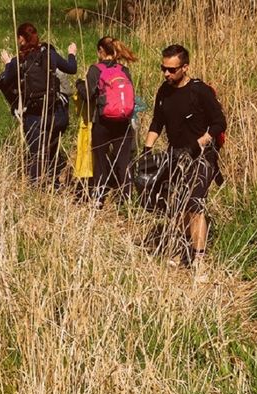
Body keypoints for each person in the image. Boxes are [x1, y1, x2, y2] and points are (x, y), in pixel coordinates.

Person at [143, 44, 227, 270]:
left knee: (194, 204)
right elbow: (157, 122)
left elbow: (220, 123)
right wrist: (147, 150)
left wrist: (198, 144)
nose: (166, 74)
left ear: (185, 67)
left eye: (171, 70)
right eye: (163, 68)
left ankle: (199, 261)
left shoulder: (200, 92)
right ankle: (183, 248)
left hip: (201, 157)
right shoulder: (164, 90)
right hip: (175, 155)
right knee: (178, 206)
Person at [0, 22, 77, 188]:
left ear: (21, 39)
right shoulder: (49, 54)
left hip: (34, 116)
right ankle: (54, 185)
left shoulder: (18, 61)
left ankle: (36, 191)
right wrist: (72, 53)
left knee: (37, 155)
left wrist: (7, 63)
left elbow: (5, 80)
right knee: (51, 152)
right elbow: (72, 68)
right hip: (54, 113)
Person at [76, 36, 137, 207]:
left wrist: (79, 84)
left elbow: (86, 95)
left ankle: (98, 198)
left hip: (102, 122)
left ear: (101, 51)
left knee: (100, 161)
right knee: (124, 161)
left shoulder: (96, 69)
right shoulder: (124, 70)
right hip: (124, 121)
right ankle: (127, 199)